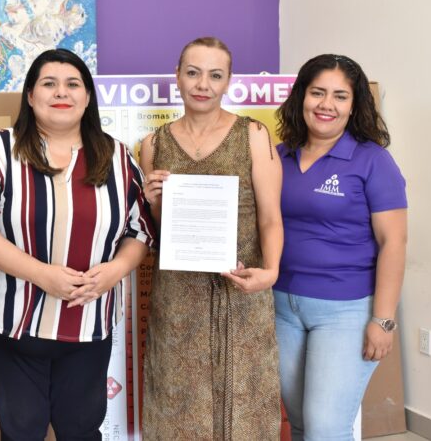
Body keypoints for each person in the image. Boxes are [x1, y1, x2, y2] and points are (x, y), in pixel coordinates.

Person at [0, 48, 155, 441]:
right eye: (49, 84)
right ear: (31, 96)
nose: (61, 92)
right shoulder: (0, 150)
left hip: (89, 325)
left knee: (81, 429)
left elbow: (141, 229)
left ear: (87, 96)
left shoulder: (117, 157)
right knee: (23, 430)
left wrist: (114, 271)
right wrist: (41, 275)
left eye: (72, 84)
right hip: (10, 324)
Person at [140, 36, 284, 439]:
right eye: (193, 73)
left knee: (245, 400)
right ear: (177, 76)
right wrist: (153, 201)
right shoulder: (153, 144)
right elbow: (161, 227)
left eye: (215, 75)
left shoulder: (253, 134)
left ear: (228, 82)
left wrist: (271, 271)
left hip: (241, 288)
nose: (203, 84)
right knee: (179, 401)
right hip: (178, 298)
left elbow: (271, 218)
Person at [274, 54, 407, 440]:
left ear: (354, 104)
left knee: (326, 429)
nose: (326, 104)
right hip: (281, 307)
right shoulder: (279, 156)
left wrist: (383, 320)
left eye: (340, 96)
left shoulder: (373, 161)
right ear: (302, 96)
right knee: (301, 425)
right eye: (317, 92)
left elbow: (394, 242)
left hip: (345, 311)